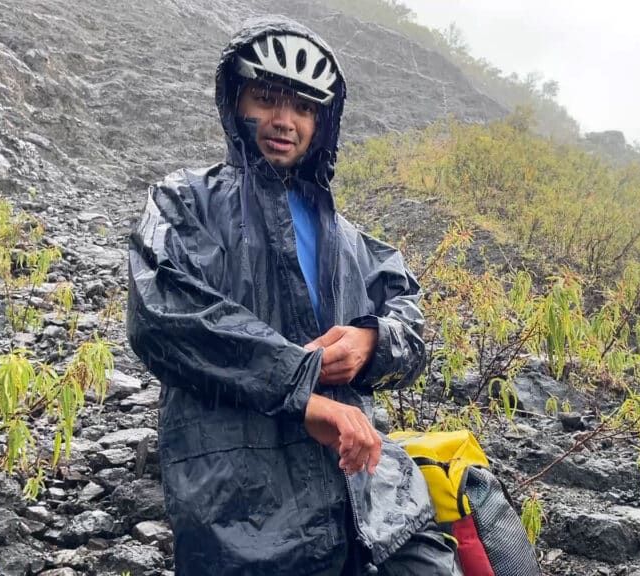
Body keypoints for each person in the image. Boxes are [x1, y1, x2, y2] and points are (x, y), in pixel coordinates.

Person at [126, 15, 462, 576]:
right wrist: (304, 392)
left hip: (368, 498)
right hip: (242, 512)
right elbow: (162, 315)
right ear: (235, 102)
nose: (285, 121)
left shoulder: (351, 241)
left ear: (322, 121)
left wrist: (373, 341)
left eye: (304, 107)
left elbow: (411, 319)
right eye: (267, 99)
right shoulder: (184, 204)